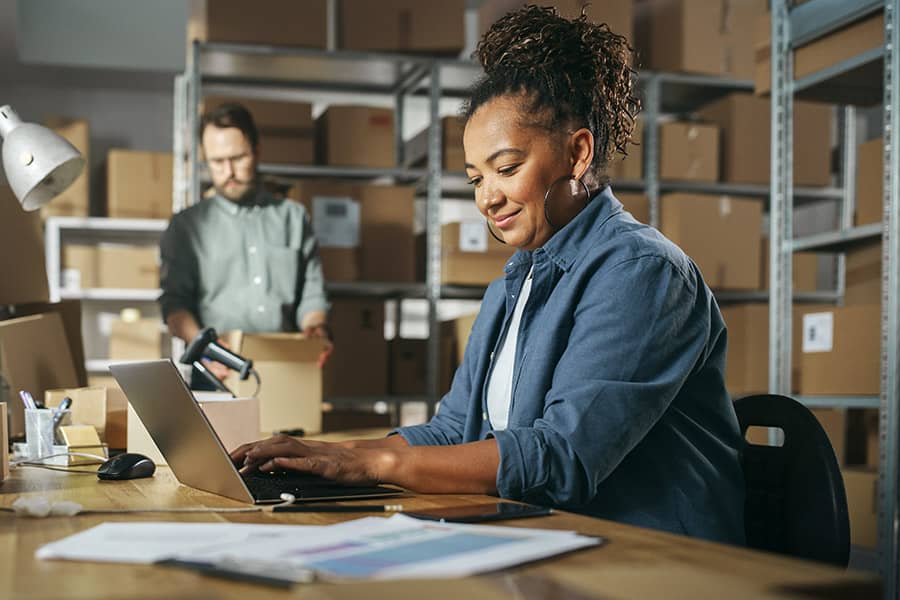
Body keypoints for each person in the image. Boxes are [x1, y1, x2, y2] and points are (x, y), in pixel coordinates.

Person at [231, 6, 745, 544]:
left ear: (578, 152)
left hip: (656, 555)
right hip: (554, 536)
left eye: (506, 168)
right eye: (476, 179)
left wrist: (372, 464)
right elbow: (455, 429)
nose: (487, 198)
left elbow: (562, 457)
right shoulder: (512, 284)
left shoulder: (642, 273)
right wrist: (327, 454)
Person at [159, 102, 331, 380]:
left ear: (257, 152)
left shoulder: (294, 218)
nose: (228, 171)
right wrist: (205, 347)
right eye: (217, 162)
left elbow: (312, 296)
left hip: (286, 368)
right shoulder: (186, 227)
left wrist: (315, 328)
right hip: (218, 370)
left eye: (238, 158)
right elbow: (174, 304)